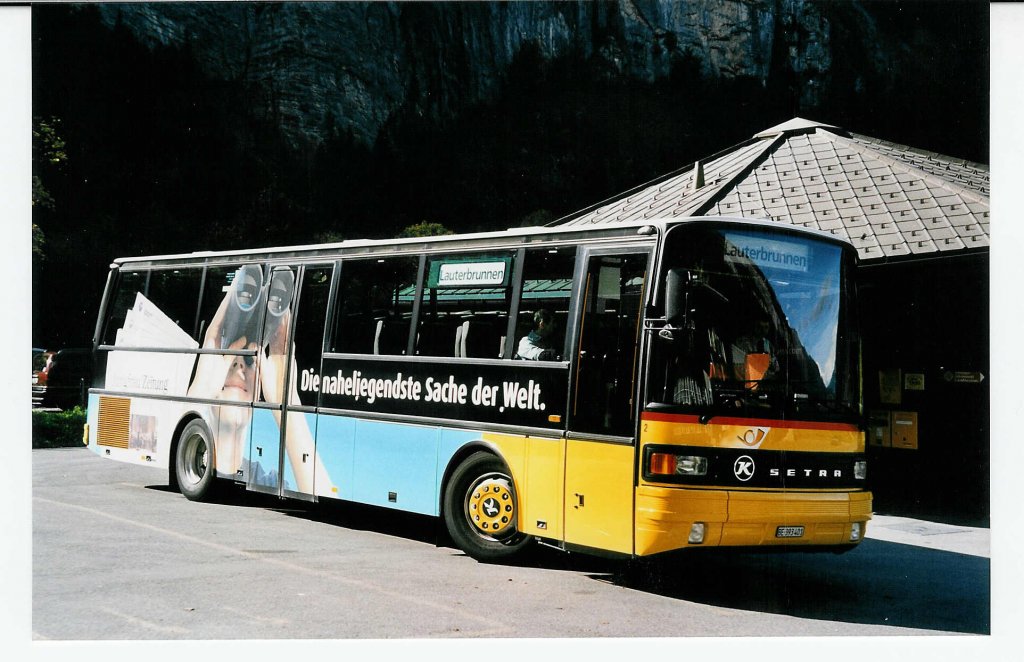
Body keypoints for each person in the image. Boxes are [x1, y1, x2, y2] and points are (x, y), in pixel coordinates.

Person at [730, 317, 778, 387]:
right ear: (754, 327)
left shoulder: (768, 345)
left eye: (766, 327)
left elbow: (776, 369)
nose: (763, 330)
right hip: (746, 388)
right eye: (759, 327)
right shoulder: (742, 343)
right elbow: (738, 370)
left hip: (765, 387)